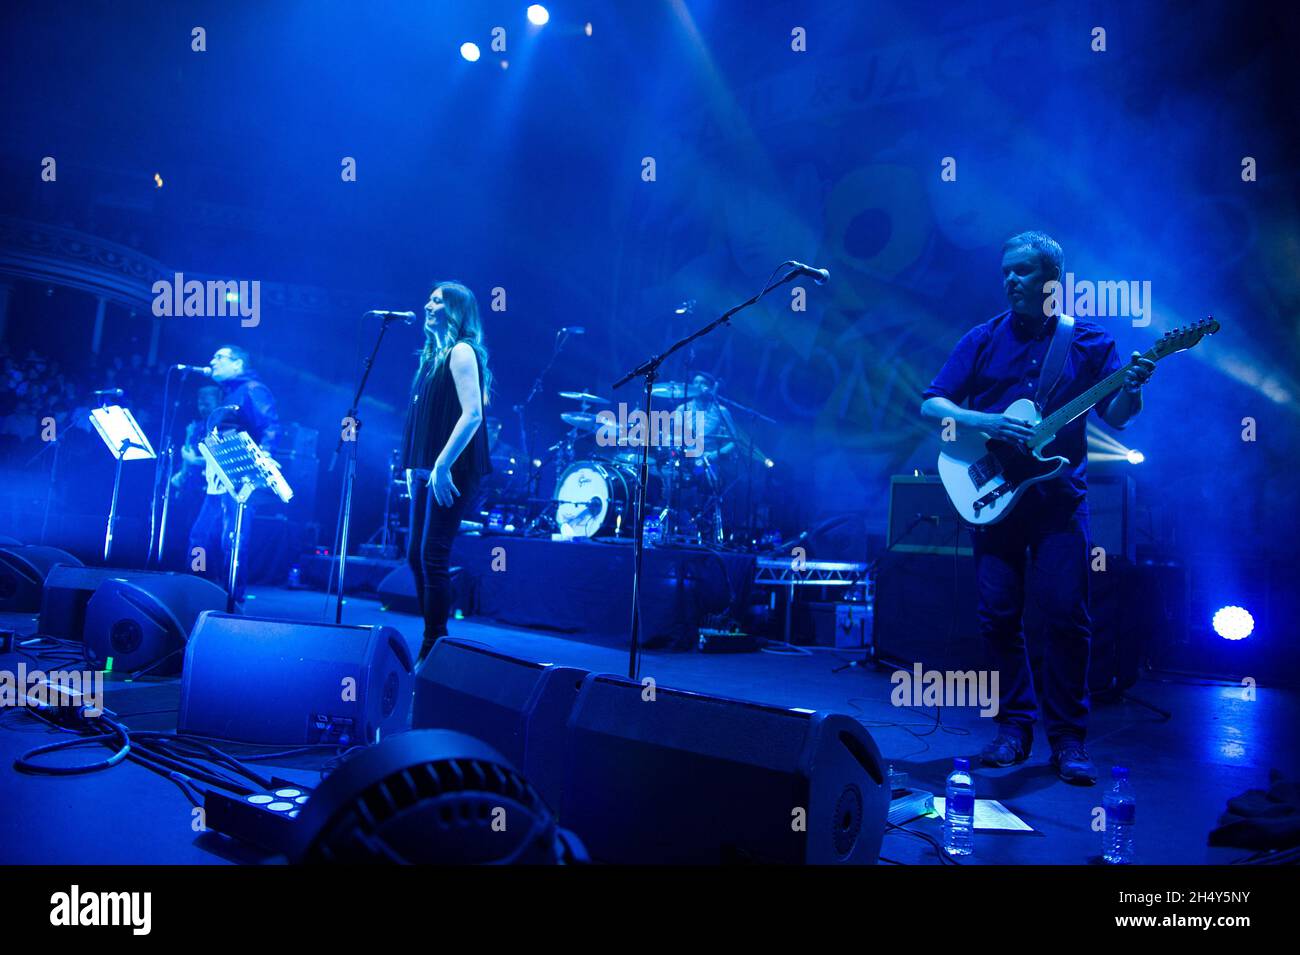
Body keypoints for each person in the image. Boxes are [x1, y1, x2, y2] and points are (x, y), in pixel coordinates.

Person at [919, 232, 1154, 785]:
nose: (1010, 280)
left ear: (1053, 280)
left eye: (1022, 271)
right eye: (1006, 271)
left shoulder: (1088, 342)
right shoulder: (981, 339)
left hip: (1057, 502)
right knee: (997, 616)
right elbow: (933, 405)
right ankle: (1014, 727)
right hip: (995, 498)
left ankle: (1069, 740)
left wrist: (1135, 388)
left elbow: (1117, 417)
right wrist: (988, 423)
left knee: (1066, 616)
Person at [400, 282, 493, 664]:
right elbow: (423, 417)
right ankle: (435, 638)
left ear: (455, 310)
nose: (428, 305)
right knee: (414, 556)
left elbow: (473, 414)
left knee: (432, 555)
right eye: (430, 297)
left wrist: (441, 465)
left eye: (437, 301)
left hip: (452, 468)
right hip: (428, 467)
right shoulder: (430, 357)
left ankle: (434, 644)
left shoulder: (462, 351)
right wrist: (414, 464)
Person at [189, 345, 279, 605]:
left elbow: (270, 424)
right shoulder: (231, 392)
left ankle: (233, 596)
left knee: (233, 536)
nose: (212, 361)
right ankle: (199, 586)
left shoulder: (253, 390)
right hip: (220, 477)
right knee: (201, 535)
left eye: (219, 357)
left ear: (238, 363)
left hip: (239, 476)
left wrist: (265, 454)